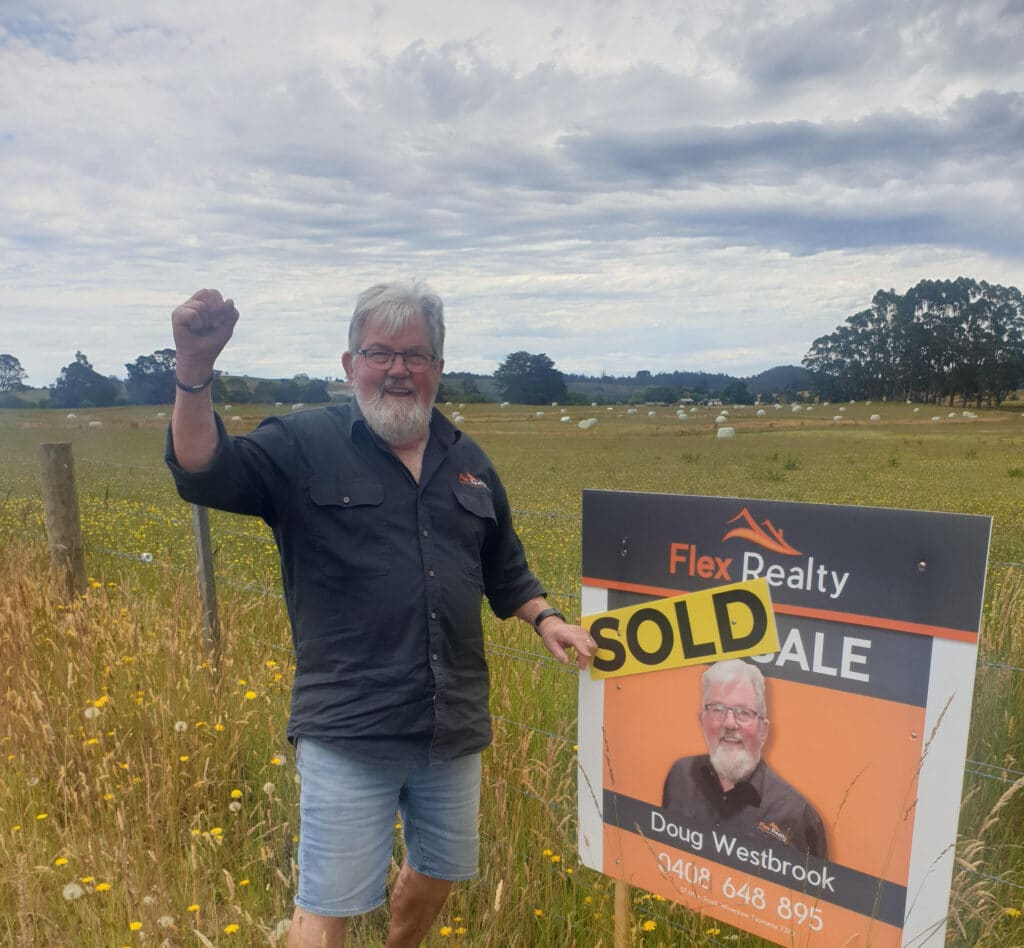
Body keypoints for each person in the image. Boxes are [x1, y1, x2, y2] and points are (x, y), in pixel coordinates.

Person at [165, 284, 598, 948]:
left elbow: (503, 566)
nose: (398, 369)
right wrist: (194, 371)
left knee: (438, 876)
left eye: (416, 355)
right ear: (349, 364)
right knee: (327, 903)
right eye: (380, 353)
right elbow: (204, 470)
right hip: (349, 725)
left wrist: (548, 619)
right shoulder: (302, 444)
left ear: (438, 368)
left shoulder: (468, 463)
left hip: (449, 723)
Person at [661, 659, 828, 859]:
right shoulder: (680, 776)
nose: (730, 723)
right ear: (702, 720)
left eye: (744, 712)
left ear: (764, 730)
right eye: (717, 709)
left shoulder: (798, 816)